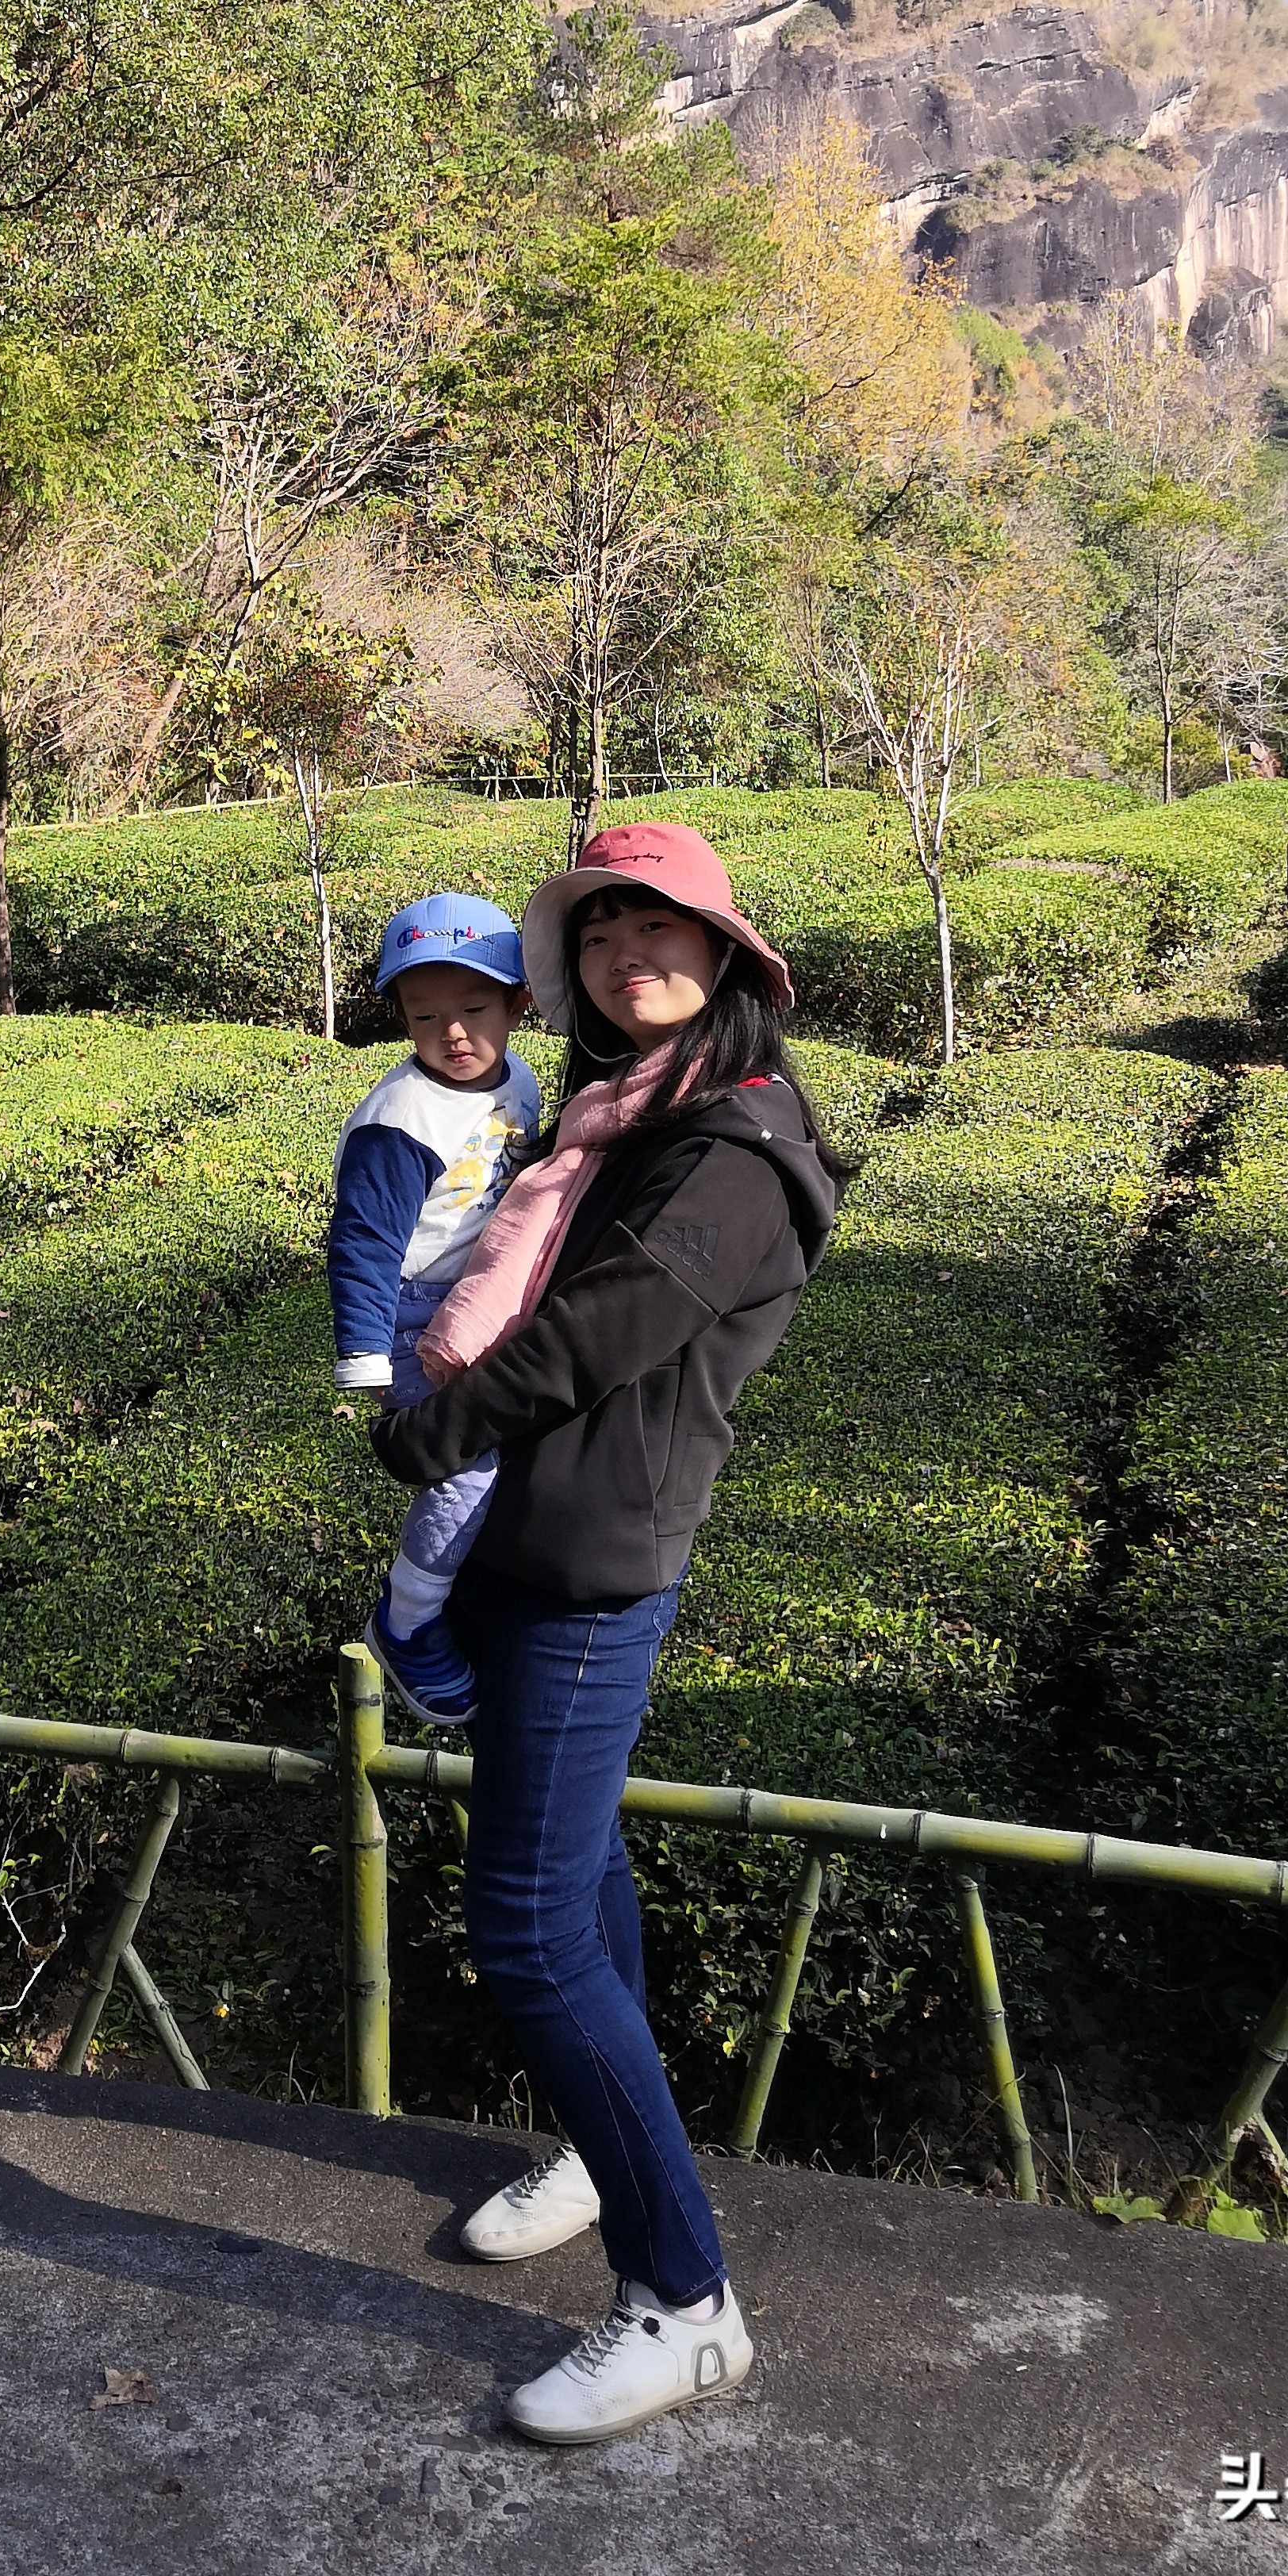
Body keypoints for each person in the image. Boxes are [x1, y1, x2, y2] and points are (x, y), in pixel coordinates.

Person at [370, 819, 839, 2447]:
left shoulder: (737, 1145)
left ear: (724, 953)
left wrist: (429, 1429)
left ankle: (684, 2304)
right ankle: (597, 2146)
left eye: (660, 927)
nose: (626, 953)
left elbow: (603, 1327)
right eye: (598, 930)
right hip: (528, 1536)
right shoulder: (630, 1108)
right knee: (576, 1878)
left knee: (525, 1928)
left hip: (589, 1567)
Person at [327, 892, 541, 1726]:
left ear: (519, 1005)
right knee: (465, 1465)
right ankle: (407, 1623)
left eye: (474, 1009)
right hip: (413, 1315)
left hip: (480, 1294)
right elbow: (364, 1240)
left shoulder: (518, 1080)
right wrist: (366, 1358)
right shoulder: (401, 1120)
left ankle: (463, 1584)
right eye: (425, 1016)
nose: (452, 1032)